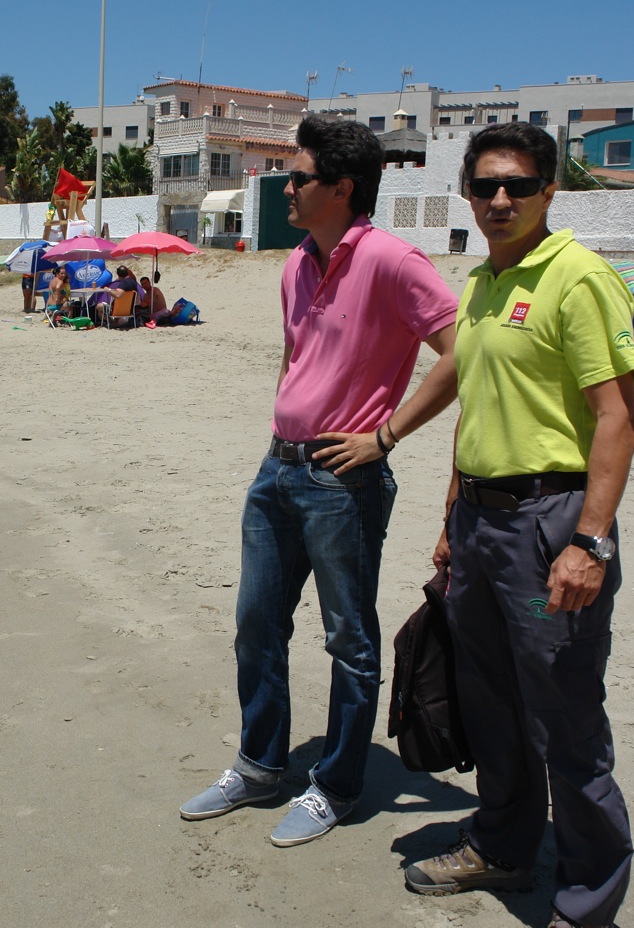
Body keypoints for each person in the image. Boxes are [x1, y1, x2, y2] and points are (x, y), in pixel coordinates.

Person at [179, 115, 458, 847]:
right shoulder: (297, 262)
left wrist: (385, 435)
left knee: (349, 640)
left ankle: (335, 784)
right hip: (278, 468)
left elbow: (465, 354)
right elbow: (294, 357)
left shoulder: (395, 261)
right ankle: (261, 765)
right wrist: (282, 428)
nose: (287, 188)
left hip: (344, 481)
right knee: (256, 624)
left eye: (299, 178)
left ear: (342, 188)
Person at [404, 123, 634, 928]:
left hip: (552, 523)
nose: (500, 200)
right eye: (485, 187)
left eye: (518, 185)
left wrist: (590, 543)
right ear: (468, 194)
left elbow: (616, 418)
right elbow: (482, 406)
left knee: (566, 720)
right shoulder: (479, 283)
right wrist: (450, 518)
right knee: (494, 704)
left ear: (549, 192)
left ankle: (588, 900)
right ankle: (504, 846)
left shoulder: (578, 277)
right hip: (479, 522)